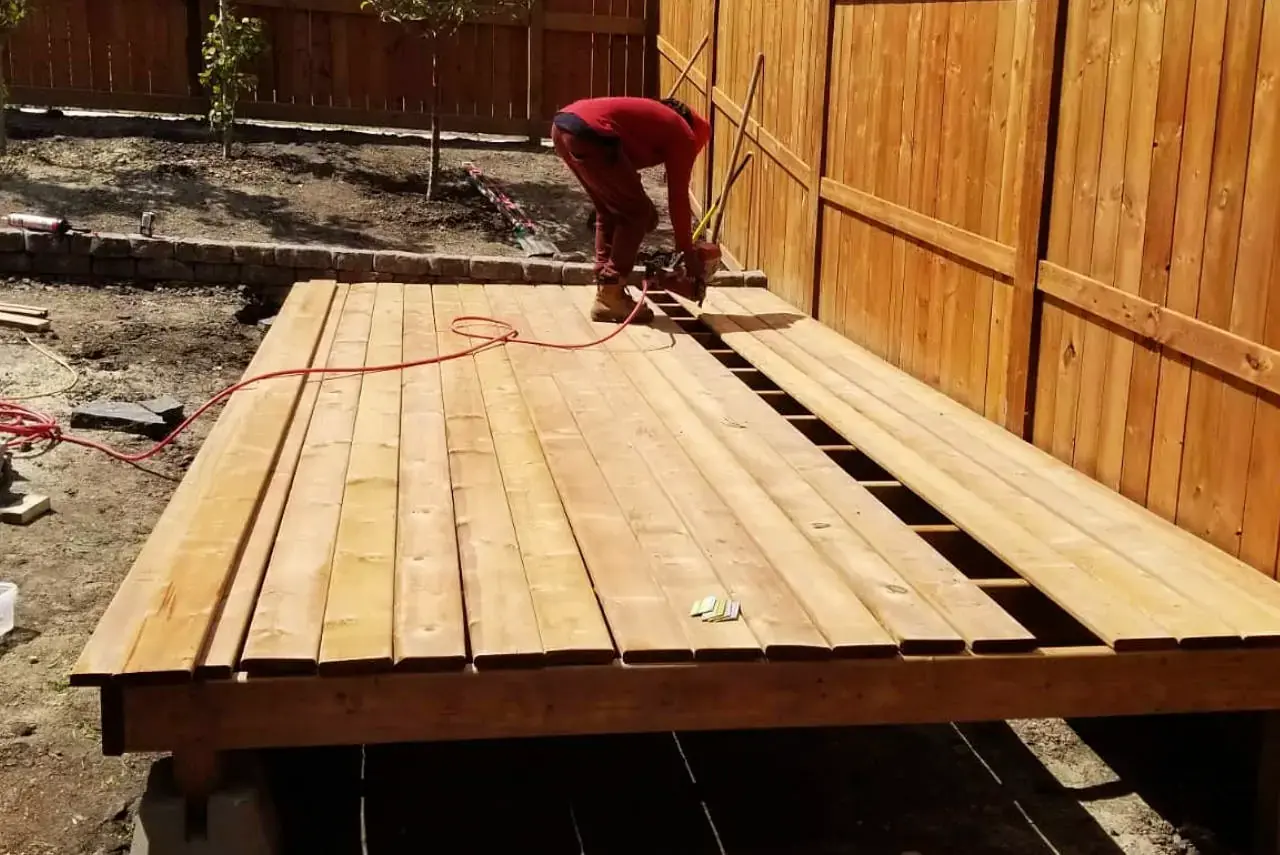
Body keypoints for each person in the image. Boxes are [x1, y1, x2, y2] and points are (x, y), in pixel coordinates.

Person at [551, 95, 712, 323]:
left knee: (608, 209)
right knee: (636, 213)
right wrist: (686, 252)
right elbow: (678, 198)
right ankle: (611, 292)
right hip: (591, 133)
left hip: (563, 126)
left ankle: (606, 291)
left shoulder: (648, 125)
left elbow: (622, 178)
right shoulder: (683, 134)